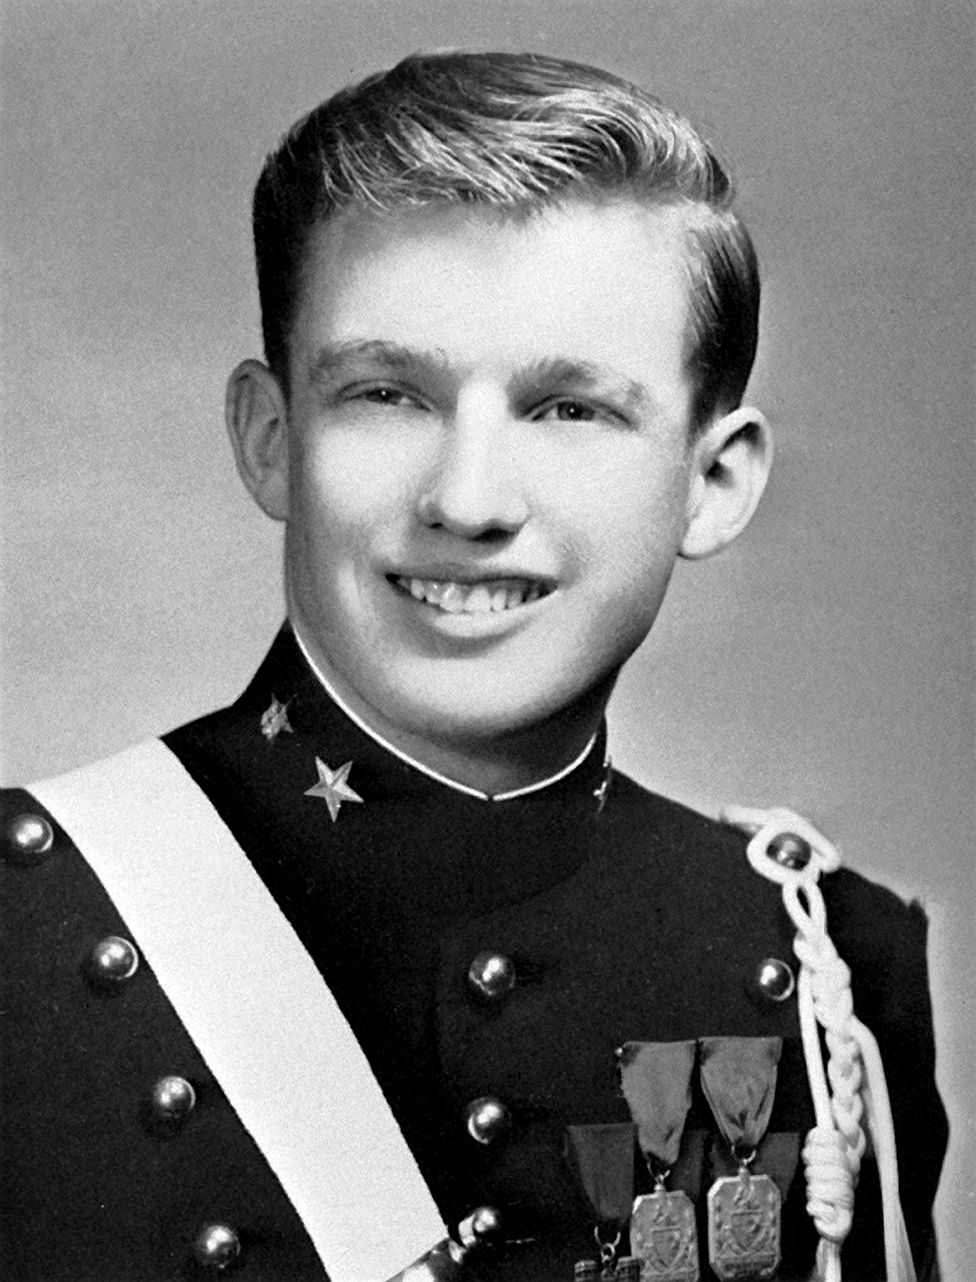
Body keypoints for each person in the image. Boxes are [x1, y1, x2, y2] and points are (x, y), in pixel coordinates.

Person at [0, 51, 946, 1282]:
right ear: (272, 440)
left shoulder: (825, 966)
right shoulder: (26, 922)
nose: (469, 500)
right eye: (388, 394)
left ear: (712, 483)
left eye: (570, 409)